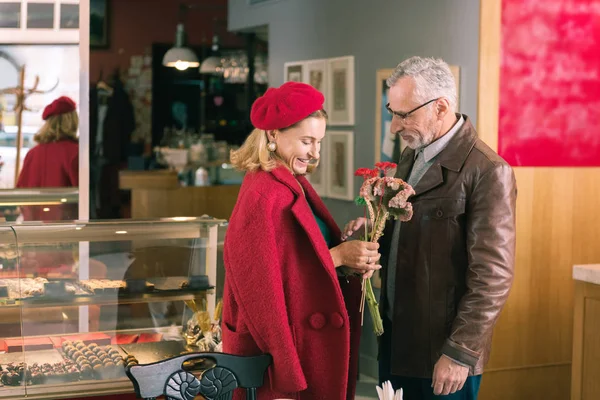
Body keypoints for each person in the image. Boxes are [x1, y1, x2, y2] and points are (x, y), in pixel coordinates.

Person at [343, 57, 517, 400]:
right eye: (392, 112)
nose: (394, 127)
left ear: (440, 107)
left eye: (403, 114)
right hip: (397, 339)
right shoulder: (412, 155)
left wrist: (459, 353)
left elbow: (493, 276)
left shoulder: (488, 170)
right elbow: (419, 230)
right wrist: (376, 227)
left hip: (444, 353)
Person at [222, 82, 381, 400]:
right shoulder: (262, 193)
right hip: (280, 359)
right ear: (272, 134)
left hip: (303, 344)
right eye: (307, 141)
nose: (315, 153)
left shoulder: (288, 183)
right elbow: (261, 288)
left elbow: (298, 253)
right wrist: (338, 256)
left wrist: (349, 256)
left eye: (319, 142)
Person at [17, 95, 79, 221]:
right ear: (72, 120)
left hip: (34, 229)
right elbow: (82, 195)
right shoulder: (75, 151)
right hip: (64, 228)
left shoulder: (33, 153)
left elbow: (20, 192)